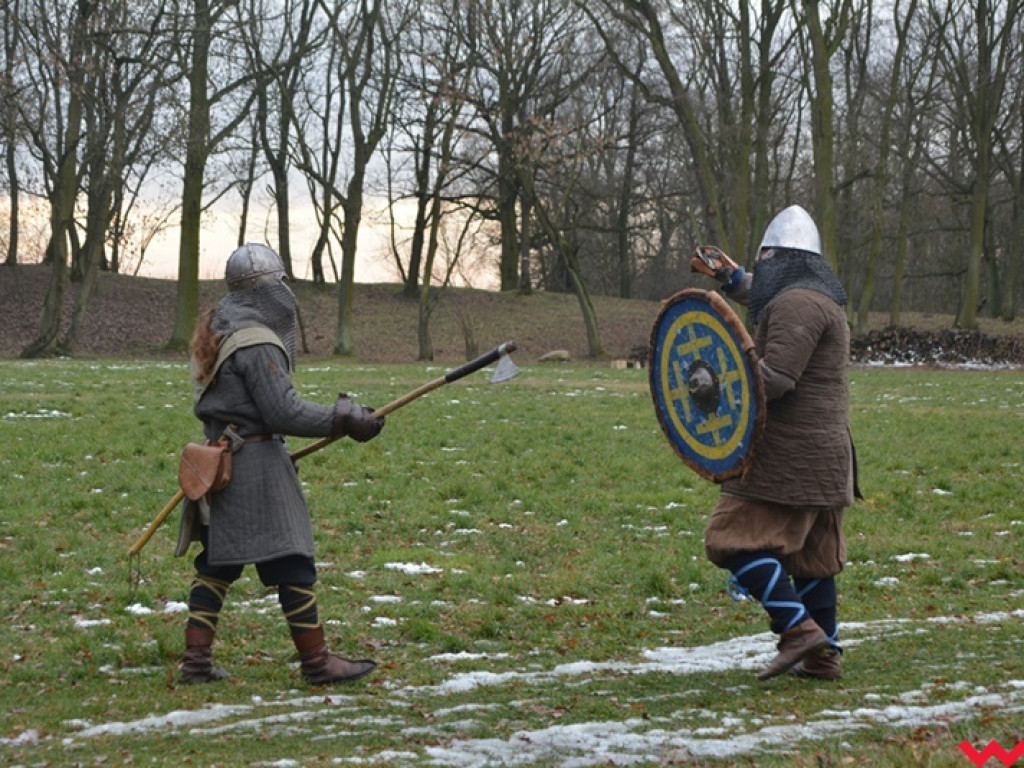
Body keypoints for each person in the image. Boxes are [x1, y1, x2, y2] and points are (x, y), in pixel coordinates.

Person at [176, 243, 385, 686]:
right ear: (269, 289)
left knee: (217, 563)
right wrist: (342, 417)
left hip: (221, 462)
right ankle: (317, 663)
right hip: (253, 469)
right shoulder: (254, 341)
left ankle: (195, 664)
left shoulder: (218, 327)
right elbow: (283, 411)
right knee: (292, 562)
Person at [692, 205, 860, 681]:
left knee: (731, 539)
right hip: (825, 457)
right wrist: (732, 278)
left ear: (783, 259)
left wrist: (717, 383)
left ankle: (798, 630)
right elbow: (769, 301)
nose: (760, 270)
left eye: (764, 261)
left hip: (792, 457)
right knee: (814, 559)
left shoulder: (798, 304)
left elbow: (777, 378)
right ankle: (822, 655)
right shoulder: (809, 296)